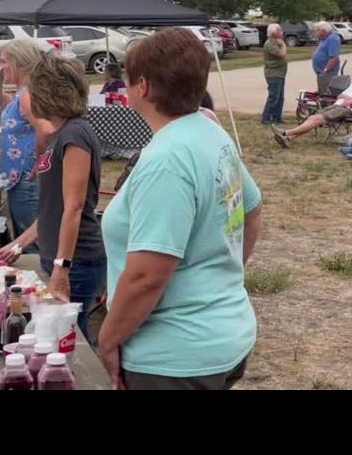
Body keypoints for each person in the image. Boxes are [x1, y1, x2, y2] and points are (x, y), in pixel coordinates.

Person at [98, 27, 262, 390]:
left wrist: (107, 340)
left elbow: (146, 277)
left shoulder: (166, 161)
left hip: (173, 358)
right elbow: (250, 210)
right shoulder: (210, 131)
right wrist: (218, 274)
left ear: (143, 87)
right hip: (223, 331)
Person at [0, 53, 107, 340]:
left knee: (70, 339)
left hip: (77, 258)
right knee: (59, 338)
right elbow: (52, 208)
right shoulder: (60, 134)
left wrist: (62, 268)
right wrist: (19, 244)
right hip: (58, 255)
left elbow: (74, 207)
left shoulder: (75, 135)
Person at [0, 40, 56, 243]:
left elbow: (45, 129)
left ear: (20, 63)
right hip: (19, 177)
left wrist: (38, 160)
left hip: (27, 178)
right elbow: (19, 110)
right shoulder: (24, 92)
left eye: (3, 62)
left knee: (30, 239)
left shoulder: (27, 95)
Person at [272, 61, 352, 148]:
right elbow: (340, 96)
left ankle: (285, 132)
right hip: (338, 105)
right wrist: (348, 98)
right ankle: (288, 139)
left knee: (318, 118)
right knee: (313, 118)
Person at [261, 23, 287, 125]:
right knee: (274, 97)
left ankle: (277, 117)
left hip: (280, 73)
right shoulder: (270, 44)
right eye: (279, 30)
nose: (281, 32)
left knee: (280, 97)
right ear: (273, 33)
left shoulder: (277, 42)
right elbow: (281, 54)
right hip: (273, 74)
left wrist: (281, 44)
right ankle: (266, 118)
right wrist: (283, 44)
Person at [311, 21, 341, 96]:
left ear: (323, 30)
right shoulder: (323, 39)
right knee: (321, 94)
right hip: (321, 73)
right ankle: (322, 107)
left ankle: (326, 107)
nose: (316, 33)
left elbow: (334, 57)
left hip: (328, 73)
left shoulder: (332, 39)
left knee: (326, 95)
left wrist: (325, 70)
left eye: (317, 30)